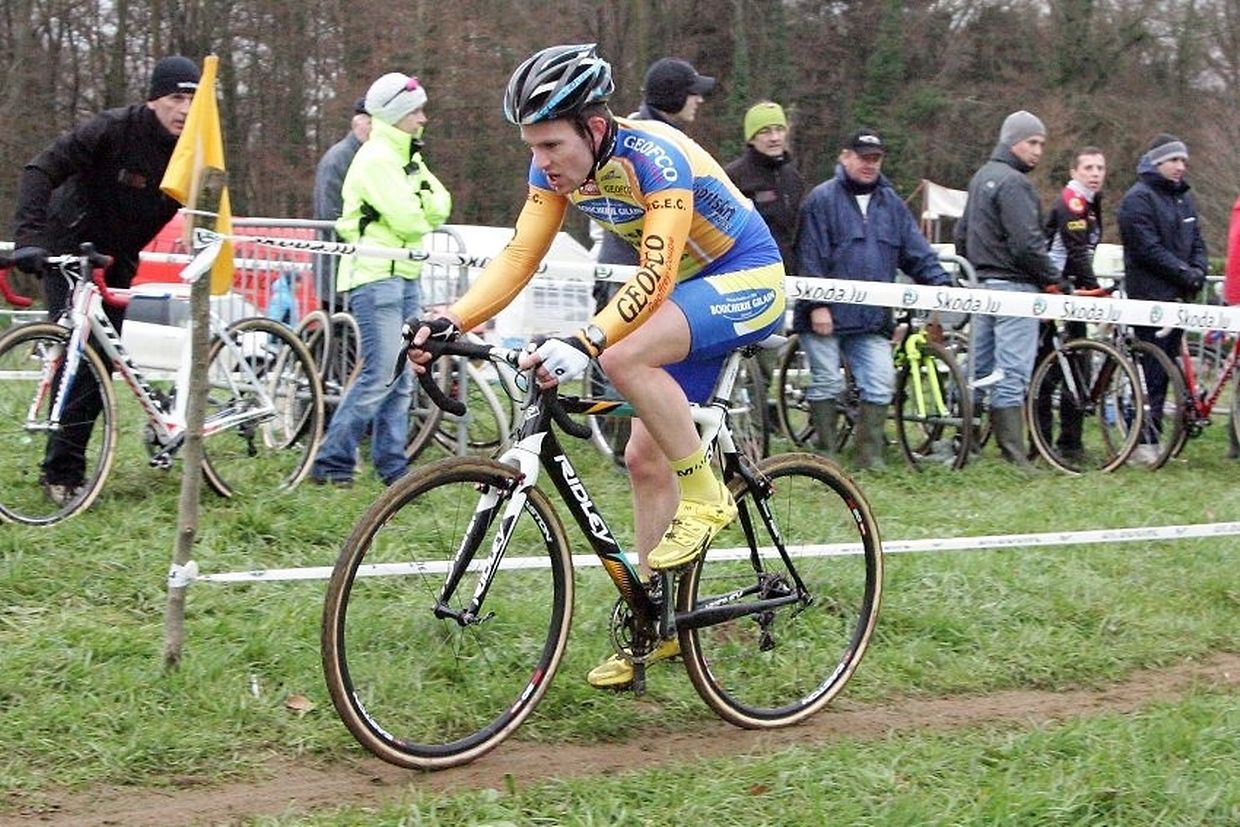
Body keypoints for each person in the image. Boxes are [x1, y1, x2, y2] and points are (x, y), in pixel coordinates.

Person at [407, 44, 785, 689]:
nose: (541, 160)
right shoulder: (559, 173)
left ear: (596, 128)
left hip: (745, 278)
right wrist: (454, 320)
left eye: (552, 144)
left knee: (621, 354)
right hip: (687, 297)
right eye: (532, 146)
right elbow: (520, 257)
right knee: (643, 458)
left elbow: (655, 275)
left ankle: (707, 494)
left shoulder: (655, 158)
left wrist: (585, 341)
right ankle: (661, 622)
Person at [10, 55, 200, 506]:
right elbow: (40, 170)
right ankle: (62, 474)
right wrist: (29, 240)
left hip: (119, 257)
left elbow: (211, 203)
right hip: (70, 247)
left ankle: (79, 464)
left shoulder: (195, 149)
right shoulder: (112, 129)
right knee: (79, 355)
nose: (185, 110)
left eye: (193, 101)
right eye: (176, 98)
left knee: (103, 363)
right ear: (153, 99)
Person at [309, 72, 451, 487]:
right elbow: (409, 219)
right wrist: (418, 206)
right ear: (397, 114)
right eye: (417, 111)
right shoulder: (375, 158)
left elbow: (441, 204)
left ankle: (392, 466)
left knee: (402, 376)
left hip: (404, 275)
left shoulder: (408, 157)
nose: (423, 118)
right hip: (374, 278)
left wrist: (417, 205)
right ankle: (332, 461)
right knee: (380, 373)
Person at [793, 128, 952, 469]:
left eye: (876, 158)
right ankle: (825, 457)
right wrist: (817, 305)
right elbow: (809, 256)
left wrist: (942, 283)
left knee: (881, 383)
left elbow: (916, 252)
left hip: (871, 319)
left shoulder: (891, 204)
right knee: (827, 382)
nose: (869, 164)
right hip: (824, 316)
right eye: (863, 157)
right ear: (845, 157)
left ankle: (870, 457)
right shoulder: (820, 200)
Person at [954, 110, 1059, 468]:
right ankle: (1013, 454)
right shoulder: (1015, 184)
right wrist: (1055, 279)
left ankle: (965, 445)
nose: (1038, 151)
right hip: (1015, 288)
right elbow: (1027, 244)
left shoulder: (981, 177)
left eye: (1041, 144)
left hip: (982, 286)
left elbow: (961, 234)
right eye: (1032, 142)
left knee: (978, 370)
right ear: (1013, 141)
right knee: (1012, 372)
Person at [1117, 134, 1209, 465]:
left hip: (1178, 297)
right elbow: (1147, 249)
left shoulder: (1184, 199)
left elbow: (1197, 241)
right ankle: (1141, 441)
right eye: (1174, 160)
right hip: (1150, 297)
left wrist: (1198, 270)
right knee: (1151, 372)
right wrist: (1184, 273)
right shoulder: (1137, 199)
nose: (1181, 167)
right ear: (1157, 162)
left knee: (1166, 371)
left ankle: (1155, 439)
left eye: (1183, 161)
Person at [725, 101, 805, 429]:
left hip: (780, 282)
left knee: (769, 359)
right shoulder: (734, 176)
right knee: (738, 358)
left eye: (778, 129)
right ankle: (730, 419)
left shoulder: (793, 178)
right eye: (765, 131)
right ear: (751, 138)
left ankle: (757, 423)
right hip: (740, 280)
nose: (774, 137)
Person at [1034, 146, 1107, 462]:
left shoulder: (1091, 203)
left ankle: (1071, 443)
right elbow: (1076, 252)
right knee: (1047, 369)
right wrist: (1096, 289)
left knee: (1078, 367)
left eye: (1100, 168)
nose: (1095, 174)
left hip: (1074, 294)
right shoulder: (1072, 201)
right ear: (1074, 172)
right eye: (1088, 167)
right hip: (1054, 292)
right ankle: (1039, 444)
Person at [312, 97, 371, 310]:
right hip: (338, 270)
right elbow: (330, 214)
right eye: (371, 123)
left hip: (358, 269)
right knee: (340, 327)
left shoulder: (368, 157)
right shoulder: (338, 160)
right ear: (358, 123)